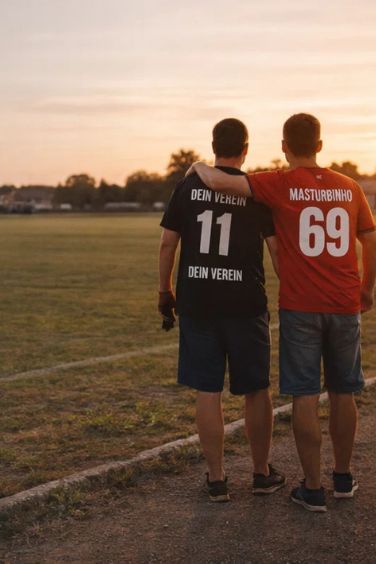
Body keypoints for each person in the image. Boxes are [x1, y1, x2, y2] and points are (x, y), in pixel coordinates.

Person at [188, 113, 376, 512]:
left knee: (305, 395)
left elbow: (220, 179)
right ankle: (343, 477)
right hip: (345, 304)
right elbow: (373, 243)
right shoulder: (349, 187)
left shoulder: (279, 183)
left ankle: (312, 487)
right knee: (344, 391)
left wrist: (194, 165)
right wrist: (367, 289)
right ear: (320, 145)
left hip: (301, 306)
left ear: (283, 146)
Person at [158, 118, 286, 503]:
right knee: (256, 389)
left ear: (213, 146)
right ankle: (261, 473)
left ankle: (217, 479)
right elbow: (278, 252)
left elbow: (168, 244)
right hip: (246, 302)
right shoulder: (255, 191)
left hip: (198, 300)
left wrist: (164, 291)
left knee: (208, 390)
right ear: (245, 149)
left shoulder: (190, 184)